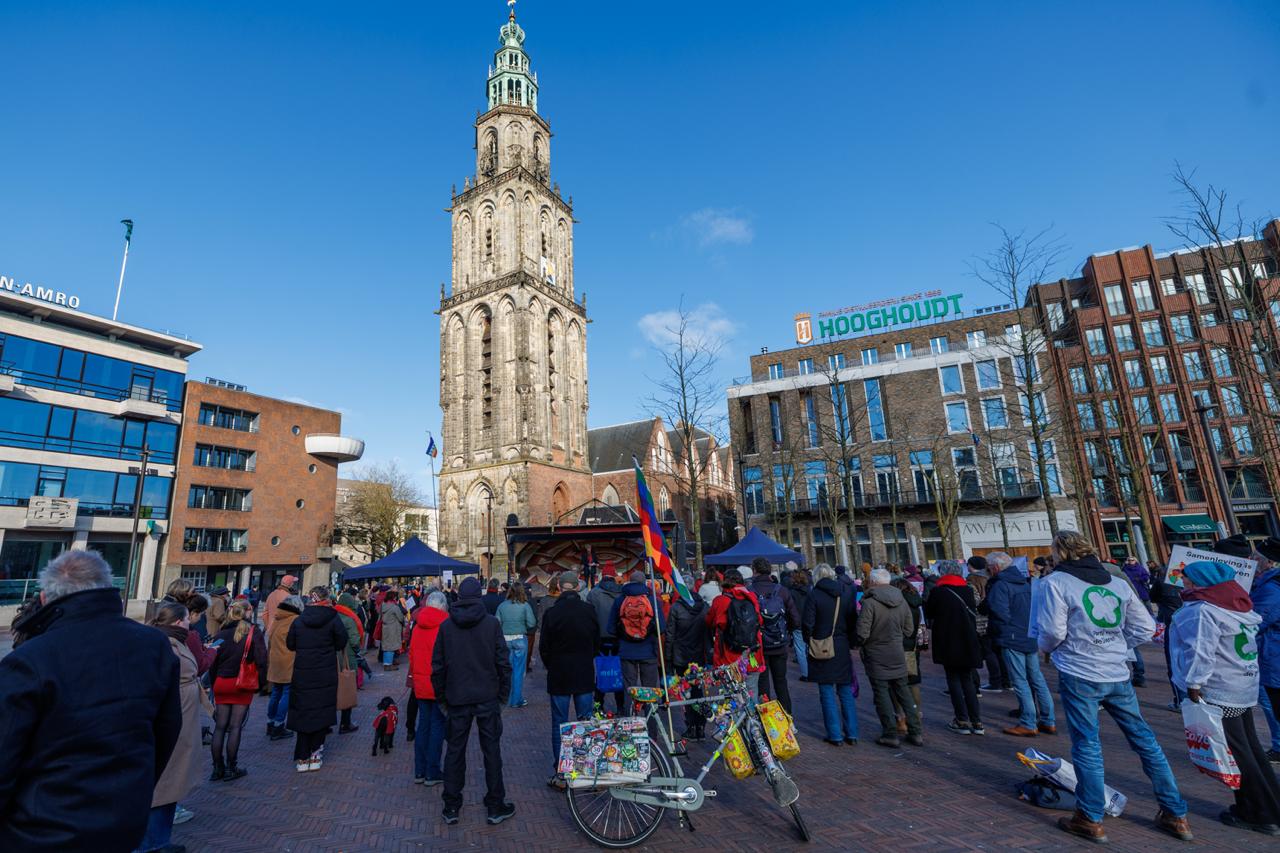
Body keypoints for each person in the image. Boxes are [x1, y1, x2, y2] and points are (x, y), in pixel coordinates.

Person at [0, 551, 181, 851]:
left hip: (38, 830)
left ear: (45, 598)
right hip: (123, 822)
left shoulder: (31, 659)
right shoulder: (154, 645)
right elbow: (166, 732)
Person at [1034, 530, 1192, 844]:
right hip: (1117, 672)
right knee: (1145, 741)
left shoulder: (1056, 583)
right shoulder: (1118, 583)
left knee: (1087, 745)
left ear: (1061, 553)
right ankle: (1175, 813)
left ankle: (1090, 817)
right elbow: (1146, 627)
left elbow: (1051, 632)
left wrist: (1048, 648)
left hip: (1080, 671)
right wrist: (1119, 646)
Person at [1170, 559, 1278, 835]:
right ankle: (1271, 803)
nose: (1184, 582)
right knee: (1250, 747)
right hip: (1242, 685)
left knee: (1238, 752)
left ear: (1198, 582)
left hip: (1220, 688)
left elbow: (1201, 651)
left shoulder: (1203, 610)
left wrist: (1194, 683)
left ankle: (1258, 812)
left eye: (1188, 578)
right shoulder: (1237, 606)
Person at [431, 576, 516, 826]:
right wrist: (503, 695)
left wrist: (443, 698)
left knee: (455, 752)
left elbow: (438, 667)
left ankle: (451, 805)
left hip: (457, 697)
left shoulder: (447, 627)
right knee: (491, 751)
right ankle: (495, 804)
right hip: (486, 696)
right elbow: (503, 662)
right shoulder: (490, 624)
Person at [140, 602, 204, 853]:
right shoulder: (161, 644)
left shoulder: (178, 641)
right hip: (169, 719)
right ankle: (149, 845)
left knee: (171, 783)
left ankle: (160, 840)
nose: (192, 622)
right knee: (163, 784)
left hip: (180, 718)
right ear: (178, 621)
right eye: (188, 618)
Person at [984, 553, 1055, 737]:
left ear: (996, 567)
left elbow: (999, 612)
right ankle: (1048, 720)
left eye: (989, 567)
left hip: (1012, 636)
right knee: (1036, 679)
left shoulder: (1001, 585)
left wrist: (1003, 630)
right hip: (1029, 634)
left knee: (1020, 680)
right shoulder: (1026, 582)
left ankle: (1028, 722)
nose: (988, 570)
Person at [540, 571, 600, 787]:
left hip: (559, 674)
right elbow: (597, 642)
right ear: (577, 587)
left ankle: (562, 773)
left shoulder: (552, 613)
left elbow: (544, 647)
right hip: (583, 672)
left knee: (560, 724)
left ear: (559, 586)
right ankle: (585, 770)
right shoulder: (588, 611)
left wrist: (552, 665)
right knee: (585, 722)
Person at [855, 568, 922, 748]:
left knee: (881, 693)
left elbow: (862, 632)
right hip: (897, 651)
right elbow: (909, 629)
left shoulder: (869, 602)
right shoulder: (901, 599)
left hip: (876, 653)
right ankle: (915, 731)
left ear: (874, 582)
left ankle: (890, 733)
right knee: (903, 691)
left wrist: (865, 641)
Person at [287, 587, 350, 772]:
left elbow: (290, 644)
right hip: (325, 671)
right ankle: (315, 753)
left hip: (303, 672)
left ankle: (302, 756)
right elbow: (341, 641)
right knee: (321, 710)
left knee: (303, 710)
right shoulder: (332, 618)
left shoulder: (299, 620)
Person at [208, 599, 267, 781]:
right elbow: (262, 660)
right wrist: (261, 683)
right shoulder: (252, 632)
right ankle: (231, 767)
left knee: (219, 726)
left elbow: (212, 661)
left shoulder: (221, 633)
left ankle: (217, 767)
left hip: (221, 681)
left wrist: (213, 683)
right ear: (248, 612)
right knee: (235, 726)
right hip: (241, 683)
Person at [803, 564, 860, 746]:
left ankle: (835, 734)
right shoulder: (845, 593)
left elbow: (807, 623)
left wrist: (810, 640)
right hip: (841, 645)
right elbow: (852, 620)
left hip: (822, 645)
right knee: (845, 690)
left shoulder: (814, 595)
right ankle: (852, 733)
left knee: (826, 691)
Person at [926, 559, 984, 736]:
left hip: (948, 640)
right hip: (968, 639)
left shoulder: (938, 592)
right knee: (967, 680)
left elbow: (929, 613)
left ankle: (961, 719)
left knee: (953, 680)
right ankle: (977, 721)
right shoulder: (967, 589)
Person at [409, 591, 450, 786]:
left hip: (421, 683)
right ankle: (432, 771)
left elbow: (412, 656)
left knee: (423, 725)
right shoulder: (446, 626)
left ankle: (419, 770)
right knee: (437, 726)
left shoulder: (417, 627)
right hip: (438, 683)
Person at [749, 557, 800, 713]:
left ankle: (767, 723)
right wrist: (786, 632)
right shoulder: (782, 590)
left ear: (754, 570)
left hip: (759, 646)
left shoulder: (750, 592)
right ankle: (787, 719)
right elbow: (795, 619)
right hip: (779, 644)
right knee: (781, 682)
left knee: (762, 685)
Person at [608, 569, 668, 698]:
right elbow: (661, 628)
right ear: (644, 583)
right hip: (648, 651)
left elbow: (611, 629)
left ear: (630, 581)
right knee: (650, 690)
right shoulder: (653, 601)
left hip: (626, 651)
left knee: (629, 688)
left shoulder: (620, 600)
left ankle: (631, 715)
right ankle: (650, 716)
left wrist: (623, 634)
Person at [664, 573, 710, 739]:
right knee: (699, 691)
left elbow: (670, 635)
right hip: (698, 655)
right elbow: (708, 631)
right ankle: (700, 726)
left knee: (687, 692)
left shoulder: (677, 607)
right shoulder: (704, 606)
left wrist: (668, 660)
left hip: (681, 656)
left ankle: (691, 726)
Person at [706, 567, 764, 697]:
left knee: (731, 698)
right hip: (752, 656)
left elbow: (709, 622)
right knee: (751, 694)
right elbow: (760, 621)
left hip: (728, 658)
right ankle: (752, 717)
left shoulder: (720, 601)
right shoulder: (752, 598)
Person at [587, 562, 627, 713]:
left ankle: (598, 706)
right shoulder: (622, 593)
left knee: (602, 671)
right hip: (618, 638)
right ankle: (621, 706)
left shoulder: (593, 594)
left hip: (600, 639)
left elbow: (589, 618)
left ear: (602, 576)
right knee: (618, 671)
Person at [1254, 537, 1280, 764]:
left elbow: (1256, 621)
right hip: (1273, 654)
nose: (1253, 560)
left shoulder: (1272, 588)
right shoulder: (1270, 584)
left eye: (1257, 557)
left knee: (1273, 704)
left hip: (1273, 656)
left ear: (1269, 562)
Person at [266, 594, 303, 741]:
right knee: (287, 693)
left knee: (276, 692)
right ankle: (278, 725)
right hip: (288, 660)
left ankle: (270, 722)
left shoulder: (277, 618)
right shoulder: (295, 620)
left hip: (275, 660)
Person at [890, 577, 924, 733]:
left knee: (896, 683)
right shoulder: (916, 604)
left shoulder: (897, 605)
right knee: (913, 682)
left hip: (897, 647)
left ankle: (901, 717)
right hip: (912, 647)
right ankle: (916, 714)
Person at [966, 555, 1004, 694]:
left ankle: (995, 681)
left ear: (971, 565)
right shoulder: (992, 576)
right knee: (997, 650)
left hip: (980, 619)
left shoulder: (972, 579)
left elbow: (974, 600)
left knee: (988, 651)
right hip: (994, 617)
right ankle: (1005, 680)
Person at [496, 581, 537, 708]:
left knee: (507, 670)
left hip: (505, 640)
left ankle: (507, 698)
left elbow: (497, 622)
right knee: (519, 671)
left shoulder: (502, 606)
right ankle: (516, 699)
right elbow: (531, 623)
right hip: (520, 637)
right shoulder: (525, 605)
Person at [330, 591, 364, 733]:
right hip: (347, 658)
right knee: (347, 689)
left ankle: (327, 723)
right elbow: (355, 641)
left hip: (331, 658)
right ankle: (345, 723)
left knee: (331, 691)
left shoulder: (331, 616)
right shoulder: (350, 619)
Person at [787, 569, 812, 681]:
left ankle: (806, 674)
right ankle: (812, 671)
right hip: (810, 622)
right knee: (810, 648)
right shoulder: (810, 591)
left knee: (800, 649)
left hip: (797, 624)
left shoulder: (791, 593)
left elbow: (790, 610)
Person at [380, 590, 406, 671]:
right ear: (394, 597)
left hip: (385, 628)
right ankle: (388, 665)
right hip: (393, 629)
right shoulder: (394, 607)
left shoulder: (383, 605)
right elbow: (401, 617)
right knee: (391, 647)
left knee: (387, 646)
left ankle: (387, 663)